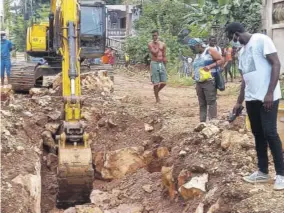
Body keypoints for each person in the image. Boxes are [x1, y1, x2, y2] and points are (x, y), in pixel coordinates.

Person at [225, 22, 284, 190]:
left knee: (270, 133)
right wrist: (239, 101)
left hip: (267, 97)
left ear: (236, 33)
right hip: (251, 99)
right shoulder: (242, 52)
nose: (232, 42)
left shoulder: (261, 40)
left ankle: (281, 174)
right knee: (258, 134)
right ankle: (263, 172)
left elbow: (276, 64)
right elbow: (245, 79)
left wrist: (270, 93)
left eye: (231, 38)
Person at [188, 38, 224, 122]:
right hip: (199, 81)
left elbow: (221, 60)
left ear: (199, 45)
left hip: (209, 80)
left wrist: (210, 66)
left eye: (193, 48)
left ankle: (212, 121)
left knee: (211, 101)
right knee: (202, 103)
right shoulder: (197, 54)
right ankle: (202, 122)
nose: (192, 50)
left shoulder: (210, 50)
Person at [148, 30, 167, 103]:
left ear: (158, 35)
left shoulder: (163, 44)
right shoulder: (150, 44)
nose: (154, 37)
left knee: (164, 82)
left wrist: (165, 66)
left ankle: (156, 92)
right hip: (154, 63)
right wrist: (158, 45)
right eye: (153, 36)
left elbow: (164, 56)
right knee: (156, 83)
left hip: (160, 63)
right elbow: (155, 53)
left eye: (155, 35)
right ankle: (157, 98)